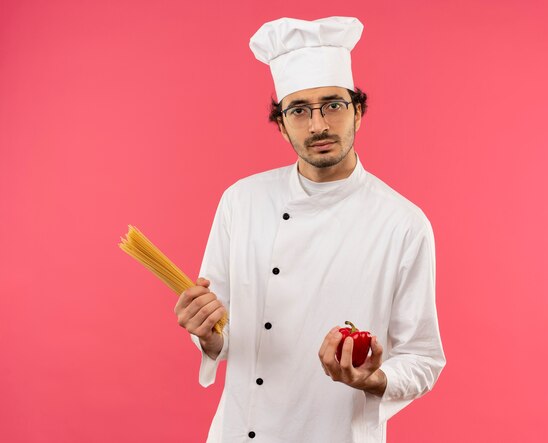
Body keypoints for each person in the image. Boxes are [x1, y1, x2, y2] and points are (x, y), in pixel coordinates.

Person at [174, 16, 446, 443]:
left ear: (358, 110)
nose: (318, 125)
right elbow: (222, 334)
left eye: (333, 105)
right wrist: (206, 334)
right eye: (299, 110)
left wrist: (372, 380)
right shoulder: (240, 203)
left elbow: (423, 357)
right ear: (281, 125)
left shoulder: (403, 225)